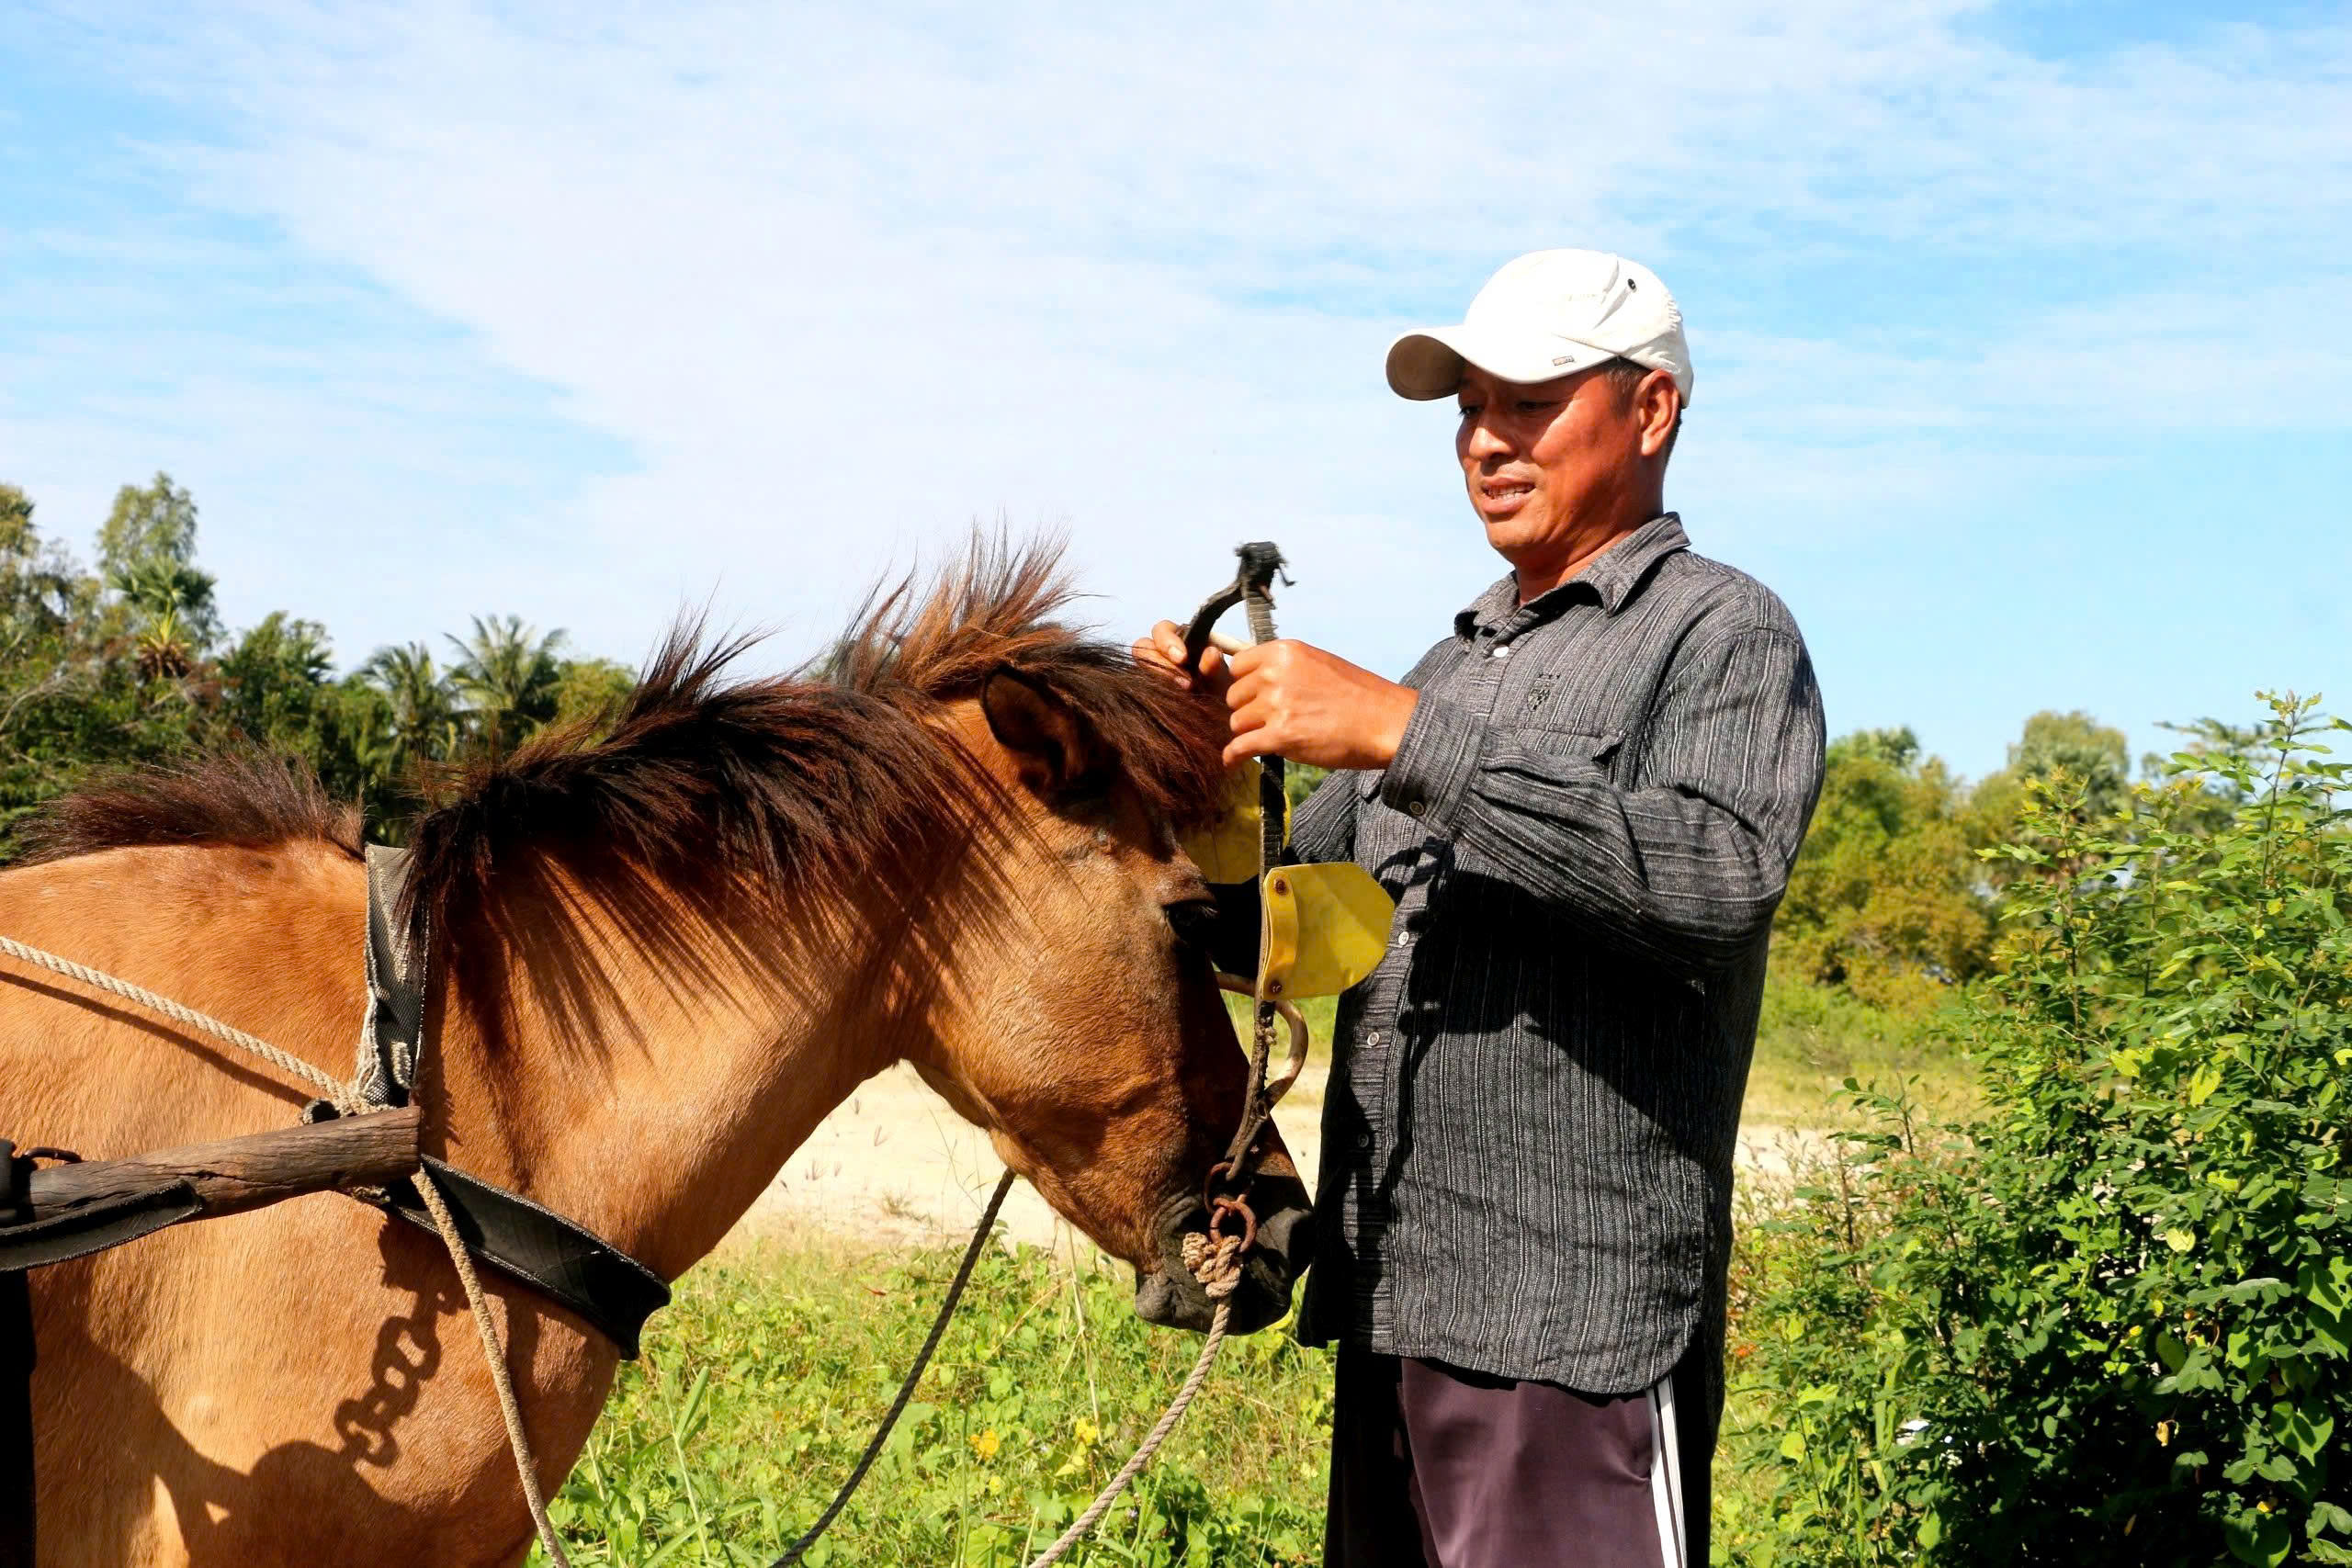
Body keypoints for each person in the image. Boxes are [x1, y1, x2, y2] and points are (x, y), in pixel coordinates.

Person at [1136, 249, 1826, 1568]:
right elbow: (1267, 943)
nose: (1486, 441)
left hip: (1581, 1331)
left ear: (1652, 411)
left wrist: (1404, 734)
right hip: (1397, 1308)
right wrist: (1208, 774)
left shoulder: (1723, 631)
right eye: (1469, 408)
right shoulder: (1453, 660)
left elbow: (1720, 879)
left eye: (1531, 403)